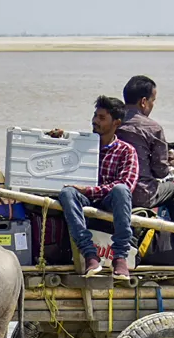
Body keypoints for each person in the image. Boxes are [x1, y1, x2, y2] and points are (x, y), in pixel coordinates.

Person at [57, 96, 139, 280]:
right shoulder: (81, 144)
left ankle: (120, 257)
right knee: (67, 193)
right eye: (95, 116)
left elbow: (127, 184)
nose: (95, 121)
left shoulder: (126, 151)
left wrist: (89, 190)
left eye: (102, 118)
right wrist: (60, 141)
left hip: (109, 200)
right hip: (85, 199)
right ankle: (89, 254)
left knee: (121, 190)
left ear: (116, 123)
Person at [118, 75, 174, 222]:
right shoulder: (153, 128)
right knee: (173, 191)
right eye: (153, 101)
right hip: (141, 194)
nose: (153, 105)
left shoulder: (113, 122)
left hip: (111, 191)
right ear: (143, 102)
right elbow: (160, 171)